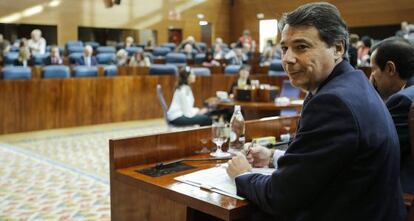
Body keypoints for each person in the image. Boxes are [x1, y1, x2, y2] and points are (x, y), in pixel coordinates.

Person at [226, 2, 406, 220]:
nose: (287, 59)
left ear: (338, 48)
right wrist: (273, 156)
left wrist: (242, 175)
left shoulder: (333, 102)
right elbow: (329, 162)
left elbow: (280, 196)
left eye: (301, 47)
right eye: (284, 48)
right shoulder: (353, 82)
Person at [369, 36, 414, 194]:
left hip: (403, 191)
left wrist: (371, 96)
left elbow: (377, 151)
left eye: (373, 69)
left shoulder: (403, 101)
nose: (372, 76)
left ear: (390, 69)